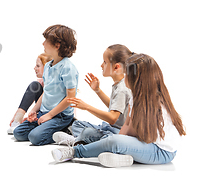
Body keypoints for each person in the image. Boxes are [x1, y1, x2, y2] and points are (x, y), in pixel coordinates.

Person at [52, 53, 186, 167]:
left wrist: (116, 143)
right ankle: (123, 157)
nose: (124, 77)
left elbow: (135, 134)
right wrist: (118, 141)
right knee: (113, 139)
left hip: (161, 152)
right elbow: (127, 125)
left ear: (137, 79)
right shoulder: (136, 95)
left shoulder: (153, 101)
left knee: (114, 141)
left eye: (127, 74)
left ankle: (75, 152)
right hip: (144, 142)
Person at [52, 44, 133, 146]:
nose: (101, 65)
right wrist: (97, 90)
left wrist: (86, 107)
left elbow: (112, 119)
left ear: (116, 67)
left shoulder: (122, 89)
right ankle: (81, 140)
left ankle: (77, 140)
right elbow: (114, 107)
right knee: (77, 124)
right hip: (110, 128)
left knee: (88, 132)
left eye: (105, 62)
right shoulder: (120, 84)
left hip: (117, 132)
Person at [13, 25, 79, 146]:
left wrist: (50, 115)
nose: (43, 43)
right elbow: (46, 92)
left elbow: (70, 99)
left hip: (60, 116)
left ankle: (65, 129)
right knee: (18, 133)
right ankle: (48, 128)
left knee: (34, 137)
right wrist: (33, 111)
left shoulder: (68, 68)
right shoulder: (48, 66)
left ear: (57, 45)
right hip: (44, 112)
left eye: (46, 41)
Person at [7, 53, 51, 135]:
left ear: (46, 67)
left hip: (54, 115)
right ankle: (17, 120)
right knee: (35, 85)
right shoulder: (40, 83)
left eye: (38, 66)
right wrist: (17, 116)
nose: (35, 68)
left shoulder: (56, 83)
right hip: (42, 113)